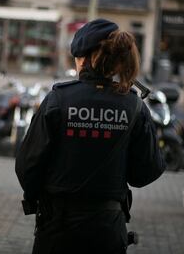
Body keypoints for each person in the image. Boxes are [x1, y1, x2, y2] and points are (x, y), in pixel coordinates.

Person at [15, 19, 166, 254]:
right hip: (107, 228)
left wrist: (39, 198)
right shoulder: (134, 106)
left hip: (57, 226)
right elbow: (147, 171)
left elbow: (27, 165)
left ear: (84, 59)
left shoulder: (58, 100)